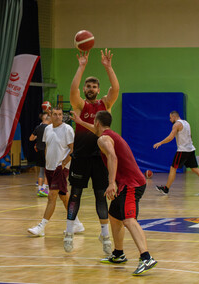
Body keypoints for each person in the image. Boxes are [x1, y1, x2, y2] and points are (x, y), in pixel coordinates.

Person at [72, 110, 157, 276]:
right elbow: (97, 132)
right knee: (114, 216)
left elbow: (112, 156)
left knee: (129, 220)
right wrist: (80, 122)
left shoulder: (103, 139)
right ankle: (118, 254)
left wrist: (111, 183)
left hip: (131, 184)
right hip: (127, 183)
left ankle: (146, 257)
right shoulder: (107, 134)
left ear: (97, 123)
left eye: (93, 123)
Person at [64, 49, 119, 254]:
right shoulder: (80, 105)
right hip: (80, 156)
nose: (90, 88)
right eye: (88, 85)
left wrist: (108, 67)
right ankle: (69, 232)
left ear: (98, 89)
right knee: (75, 194)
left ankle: (105, 236)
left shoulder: (106, 103)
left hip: (100, 158)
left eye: (94, 86)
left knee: (100, 196)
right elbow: (73, 89)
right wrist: (81, 66)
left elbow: (116, 87)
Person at [28, 107, 84, 237]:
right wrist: (47, 164)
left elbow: (73, 149)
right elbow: (48, 147)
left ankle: (41, 227)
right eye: (55, 114)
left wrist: (64, 163)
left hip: (61, 167)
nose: (58, 116)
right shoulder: (47, 129)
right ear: (50, 115)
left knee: (51, 195)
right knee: (64, 197)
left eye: (60, 114)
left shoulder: (67, 129)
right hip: (50, 167)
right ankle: (77, 223)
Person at [153, 111, 199, 194]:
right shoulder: (186, 123)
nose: (170, 119)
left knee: (173, 168)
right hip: (190, 149)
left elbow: (171, 137)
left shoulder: (176, 124)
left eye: (170, 117)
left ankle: (166, 189)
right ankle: (166, 188)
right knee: (194, 169)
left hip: (183, 150)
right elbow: (190, 136)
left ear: (174, 117)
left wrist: (160, 143)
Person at [29, 112, 51, 197]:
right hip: (46, 151)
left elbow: (31, 138)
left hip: (39, 151)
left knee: (41, 171)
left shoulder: (38, 127)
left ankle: (39, 189)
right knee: (48, 171)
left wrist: (38, 137)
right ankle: (44, 189)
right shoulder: (49, 128)